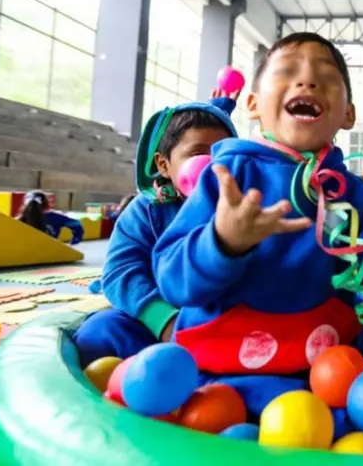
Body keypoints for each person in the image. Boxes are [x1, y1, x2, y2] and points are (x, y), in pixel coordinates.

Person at [151, 32, 363, 415]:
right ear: (252, 104)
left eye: (326, 76)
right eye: (287, 71)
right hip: (223, 373)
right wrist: (223, 242)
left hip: (325, 377)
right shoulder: (229, 176)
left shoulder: (353, 194)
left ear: (348, 113)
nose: (307, 81)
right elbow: (171, 275)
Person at [72, 94, 239, 365]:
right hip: (160, 324)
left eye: (222, 153)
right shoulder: (145, 211)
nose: (211, 164)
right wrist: (164, 320)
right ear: (164, 165)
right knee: (99, 332)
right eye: (198, 154)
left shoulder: (240, 205)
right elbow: (121, 271)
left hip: (224, 325)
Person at [16, 191, 84, 245]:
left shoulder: (19, 219)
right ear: (46, 204)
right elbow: (77, 224)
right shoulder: (56, 216)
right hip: (49, 249)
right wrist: (75, 239)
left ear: (25, 205)